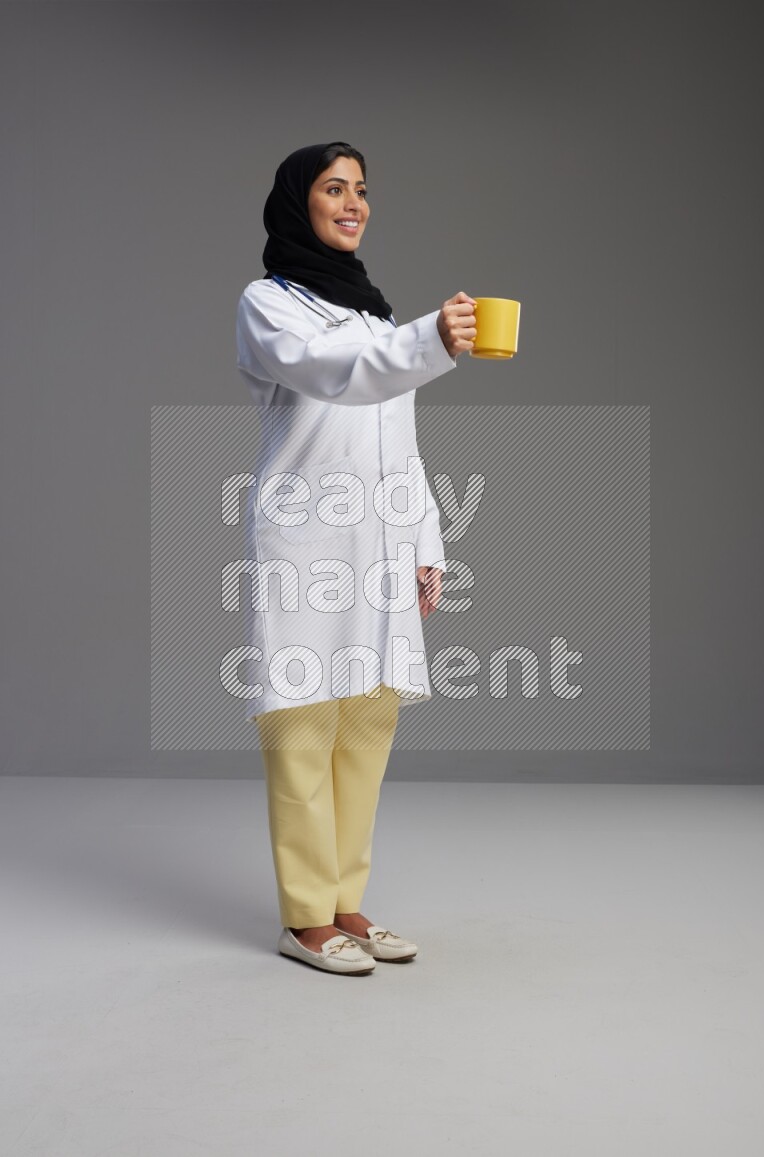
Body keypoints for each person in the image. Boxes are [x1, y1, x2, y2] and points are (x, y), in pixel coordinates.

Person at [235, 141, 476, 975]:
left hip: (377, 548)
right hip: (305, 544)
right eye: (334, 189)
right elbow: (335, 374)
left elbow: (401, 446)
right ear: (299, 203)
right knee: (302, 727)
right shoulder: (271, 305)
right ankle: (303, 918)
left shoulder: (375, 315)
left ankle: (346, 902)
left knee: (367, 726)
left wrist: (425, 542)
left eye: (362, 190)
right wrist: (432, 340)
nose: (353, 202)